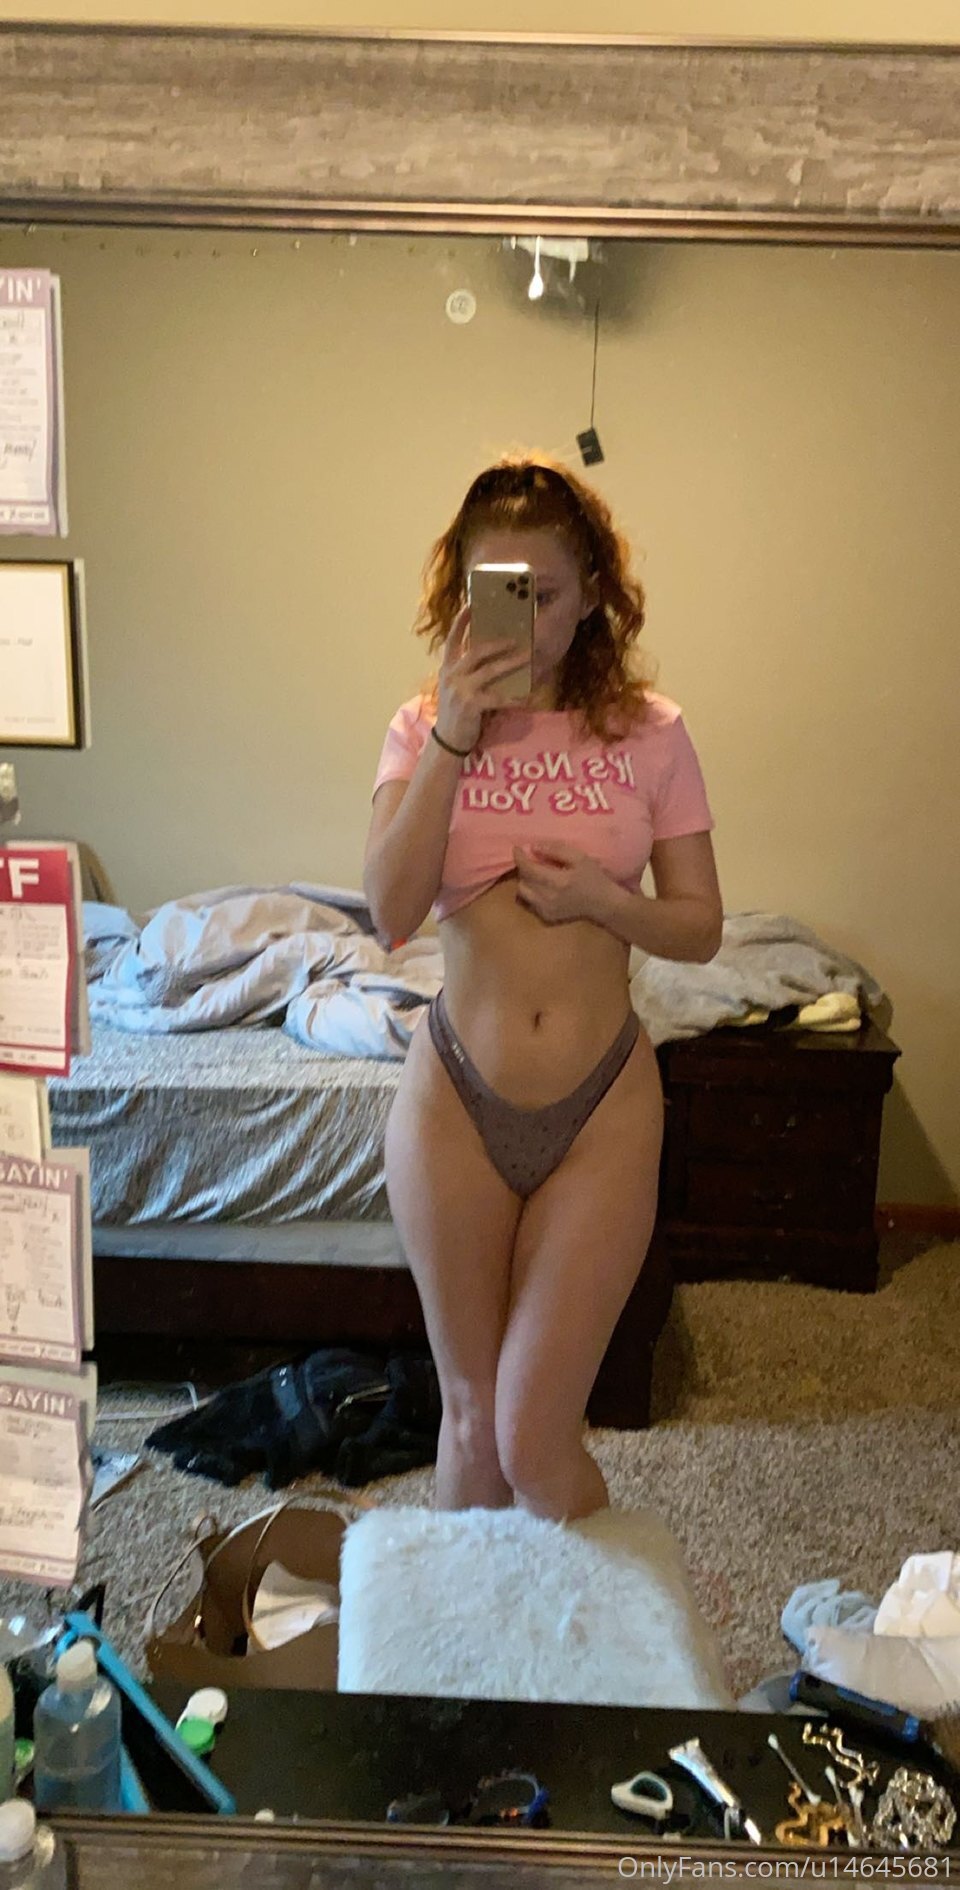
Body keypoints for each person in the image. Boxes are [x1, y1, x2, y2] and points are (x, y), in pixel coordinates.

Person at [363, 454, 721, 1521]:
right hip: (454, 1100)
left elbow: (701, 928)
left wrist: (606, 903)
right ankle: (467, 1636)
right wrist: (453, 735)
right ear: (462, 591)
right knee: (472, 1428)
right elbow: (389, 911)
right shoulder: (421, 723)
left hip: (601, 1104)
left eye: (547, 594)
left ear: (594, 592)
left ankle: (613, 1619)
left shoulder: (653, 732)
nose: (524, 620)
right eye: (498, 592)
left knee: (531, 1433)